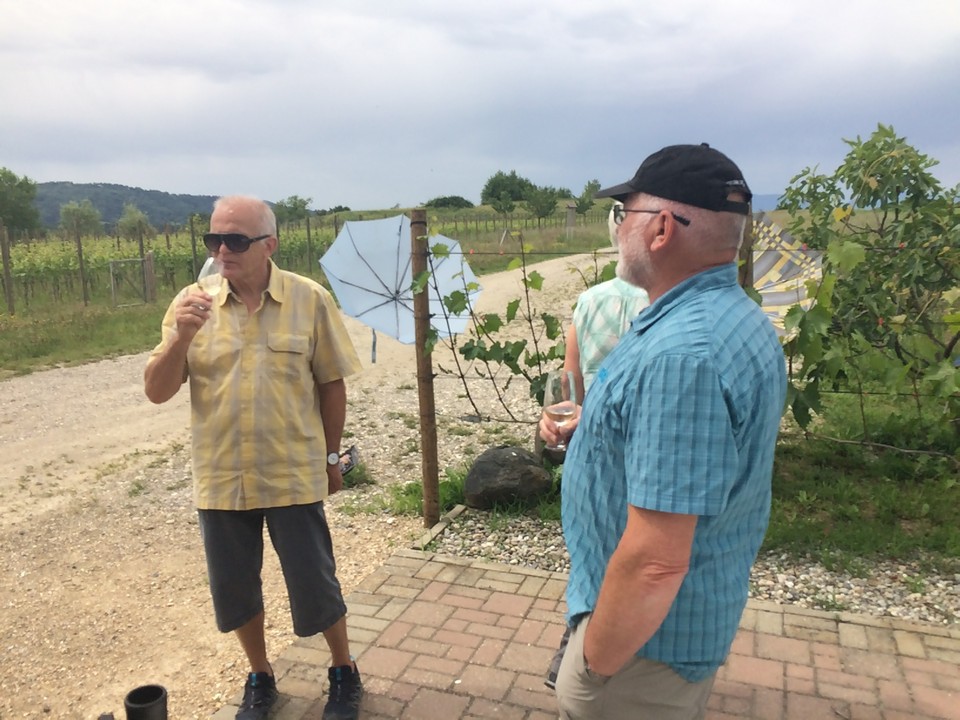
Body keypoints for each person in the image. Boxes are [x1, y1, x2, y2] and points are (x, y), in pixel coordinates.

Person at [543, 144, 787, 719]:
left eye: (623, 213)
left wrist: (594, 667)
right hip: (668, 624)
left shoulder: (682, 355)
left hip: (641, 651)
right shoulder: (732, 317)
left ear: (660, 229)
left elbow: (655, 562)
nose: (617, 229)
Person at [143, 195, 364, 720]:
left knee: (315, 582)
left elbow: (331, 384)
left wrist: (332, 457)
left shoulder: (309, 300)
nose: (222, 251)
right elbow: (156, 391)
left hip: (292, 472)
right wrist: (181, 337)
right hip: (222, 476)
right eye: (214, 240)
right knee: (235, 588)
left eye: (236, 240)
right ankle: (260, 677)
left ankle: (343, 670)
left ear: (269, 245)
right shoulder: (191, 304)